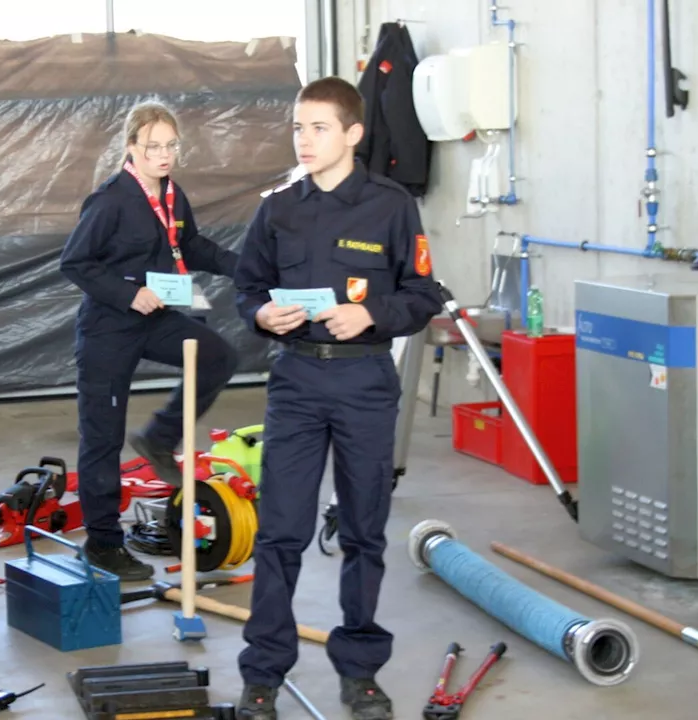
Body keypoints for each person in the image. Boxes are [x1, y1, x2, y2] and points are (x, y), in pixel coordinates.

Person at [232, 76, 443, 720]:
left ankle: (361, 671)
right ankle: (263, 673)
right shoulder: (278, 208)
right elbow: (248, 287)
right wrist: (262, 316)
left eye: (319, 127)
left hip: (364, 383)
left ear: (353, 134)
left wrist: (372, 316)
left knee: (363, 532)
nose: (305, 139)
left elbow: (424, 294)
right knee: (280, 534)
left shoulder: (391, 207)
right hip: (296, 382)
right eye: (298, 127)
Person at [59, 101, 240, 581]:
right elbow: (75, 263)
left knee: (218, 355)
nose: (164, 155)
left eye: (171, 146)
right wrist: (126, 293)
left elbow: (193, 245)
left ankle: (159, 438)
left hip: (156, 317)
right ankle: (102, 544)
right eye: (153, 146)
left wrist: (245, 267)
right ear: (132, 147)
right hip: (108, 328)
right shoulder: (111, 199)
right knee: (102, 438)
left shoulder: (173, 195)